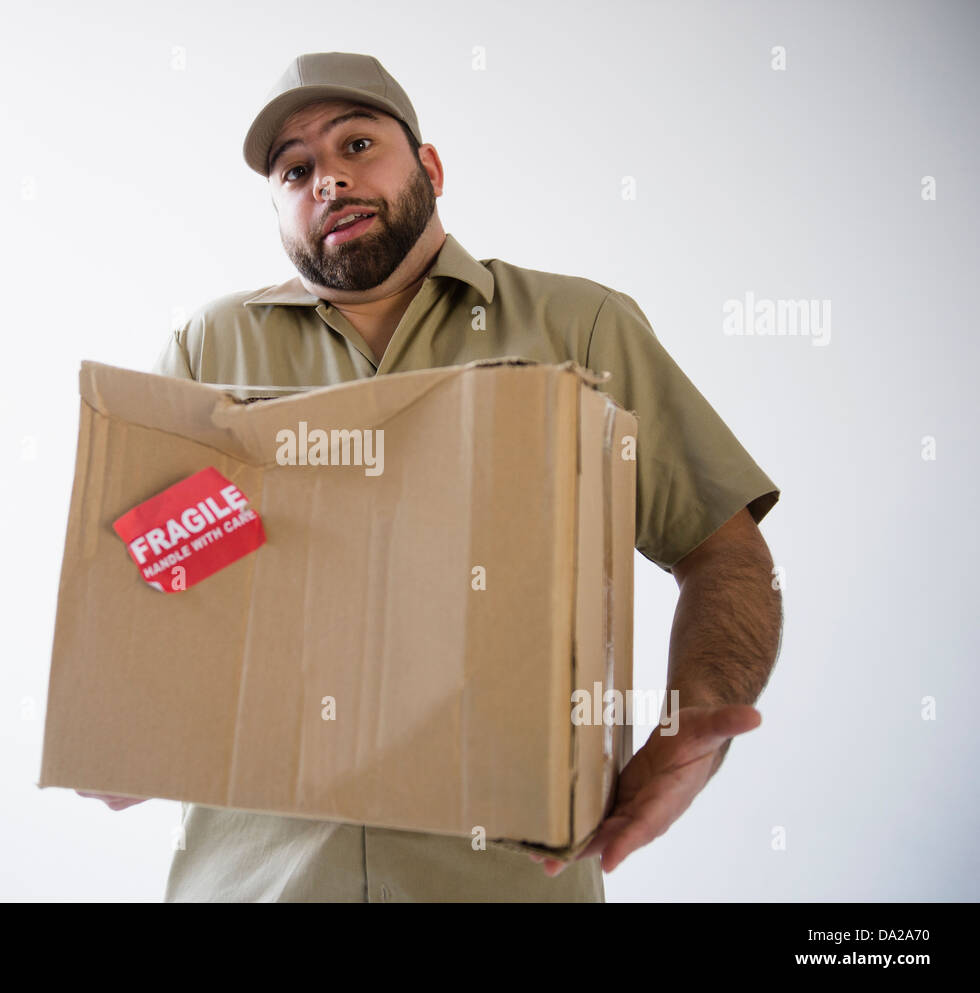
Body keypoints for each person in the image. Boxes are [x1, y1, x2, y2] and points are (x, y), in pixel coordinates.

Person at [80, 51, 783, 903]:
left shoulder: (580, 327)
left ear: (431, 167)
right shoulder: (208, 350)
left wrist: (695, 720)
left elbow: (722, 549)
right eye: (296, 169)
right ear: (279, 207)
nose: (328, 180)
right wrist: (119, 714)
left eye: (357, 145)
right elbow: (156, 586)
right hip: (256, 884)